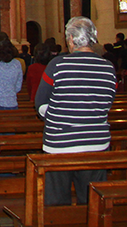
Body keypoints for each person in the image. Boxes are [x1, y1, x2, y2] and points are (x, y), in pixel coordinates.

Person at [34, 16, 116, 206]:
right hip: (95, 144)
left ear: (70, 39)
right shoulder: (107, 67)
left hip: (60, 144)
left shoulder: (57, 65)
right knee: (92, 202)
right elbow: (107, 103)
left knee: (56, 202)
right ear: (93, 39)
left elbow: (40, 103)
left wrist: (57, 116)